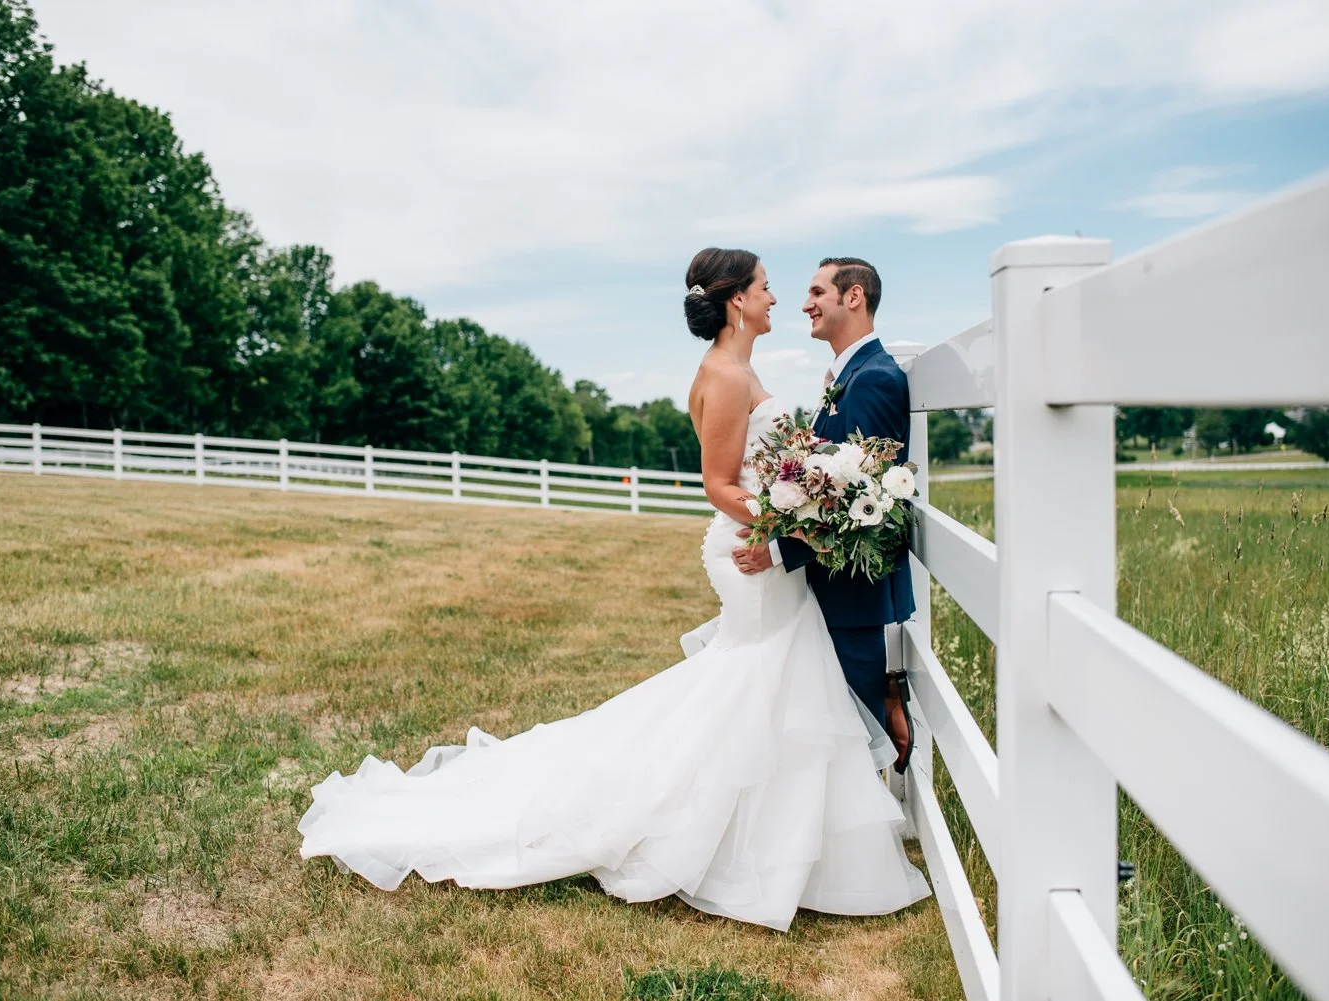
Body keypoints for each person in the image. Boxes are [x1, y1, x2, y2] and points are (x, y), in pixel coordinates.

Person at [297, 248, 930, 932]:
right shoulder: (723, 374)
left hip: (767, 553)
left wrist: (795, 512)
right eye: (767, 287)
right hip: (749, 553)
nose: (777, 298)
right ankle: (714, 832)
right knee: (754, 686)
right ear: (737, 300)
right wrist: (786, 526)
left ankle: (773, 837)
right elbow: (719, 483)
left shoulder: (743, 368)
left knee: (765, 689)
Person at [731, 257, 917, 773]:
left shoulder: (874, 378)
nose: (805, 304)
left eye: (817, 292)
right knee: (832, 735)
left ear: (853, 296)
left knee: (853, 746)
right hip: (834, 588)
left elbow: (861, 504)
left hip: (852, 594)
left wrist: (776, 552)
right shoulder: (849, 376)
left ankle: (886, 707)